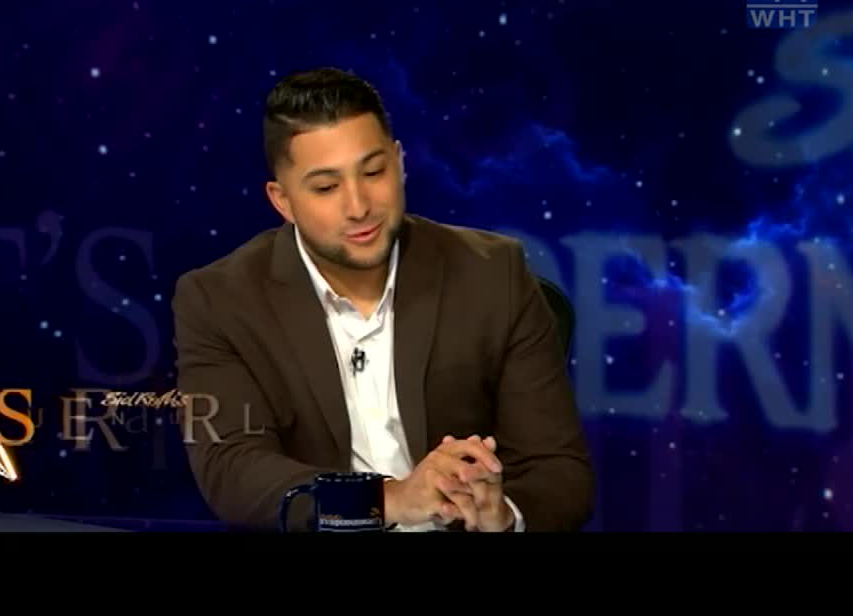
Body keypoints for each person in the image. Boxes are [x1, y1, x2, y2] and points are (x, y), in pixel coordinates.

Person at [172, 67, 594, 532]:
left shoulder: (492, 274)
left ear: (399, 161)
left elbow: (559, 471)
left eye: (374, 171)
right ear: (282, 200)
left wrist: (502, 515)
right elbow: (232, 469)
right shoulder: (219, 301)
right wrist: (389, 498)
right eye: (326, 187)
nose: (359, 207)